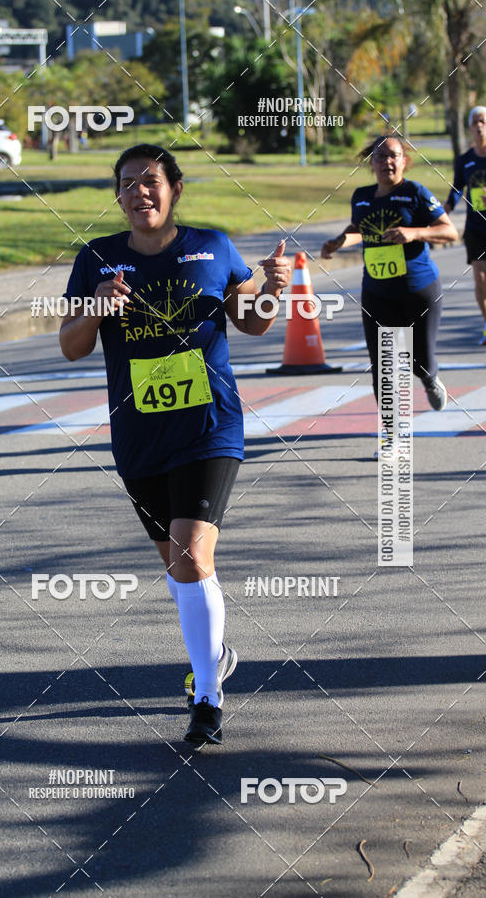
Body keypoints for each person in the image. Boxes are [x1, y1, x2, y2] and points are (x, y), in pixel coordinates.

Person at [59, 144, 292, 745]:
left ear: (176, 189)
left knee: (191, 557)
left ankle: (207, 698)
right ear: (117, 195)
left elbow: (255, 321)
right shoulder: (97, 258)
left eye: (151, 181)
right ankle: (215, 648)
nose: (140, 192)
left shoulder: (213, 247)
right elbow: (71, 345)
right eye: (127, 183)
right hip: (139, 434)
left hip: (209, 428)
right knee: (180, 569)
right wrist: (95, 307)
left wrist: (274, 288)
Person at [321, 134, 458, 447]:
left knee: (419, 360)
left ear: (404, 161)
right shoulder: (362, 196)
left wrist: (413, 233)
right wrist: (338, 242)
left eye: (394, 156)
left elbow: (449, 231)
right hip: (377, 293)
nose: (387, 162)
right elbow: (359, 230)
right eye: (381, 157)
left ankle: (429, 376)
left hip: (419, 290)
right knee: (383, 364)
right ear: (372, 164)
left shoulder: (416, 194)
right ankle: (393, 433)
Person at [443, 105, 486, 345]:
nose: (479, 126)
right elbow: (457, 188)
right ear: (469, 127)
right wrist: (443, 211)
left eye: (483, 121)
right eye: (475, 122)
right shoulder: (465, 160)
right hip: (476, 228)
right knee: (480, 279)